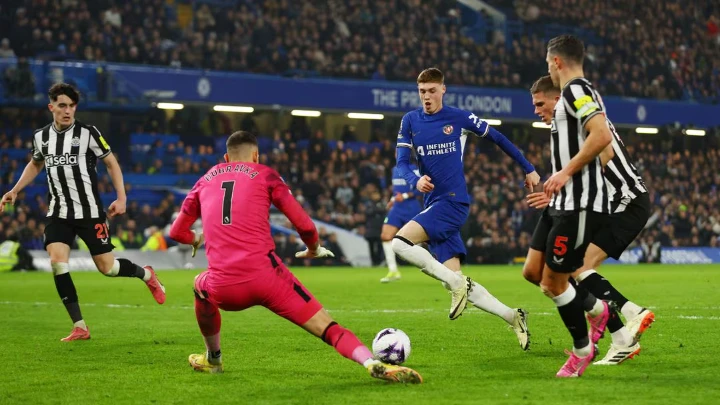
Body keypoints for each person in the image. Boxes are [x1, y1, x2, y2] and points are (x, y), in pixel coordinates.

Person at [168, 131, 422, 384]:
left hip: (223, 286)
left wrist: (196, 239)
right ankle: (370, 362)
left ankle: (213, 359)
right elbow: (306, 226)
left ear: (226, 157)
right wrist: (313, 248)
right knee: (329, 328)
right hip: (267, 278)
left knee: (199, 286)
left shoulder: (204, 180)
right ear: (256, 155)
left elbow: (177, 232)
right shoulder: (265, 174)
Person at [0, 83, 165, 342]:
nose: (67, 111)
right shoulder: (41, 137)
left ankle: (147, 274)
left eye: (72, 106)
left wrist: (122, 198)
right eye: (62, 105)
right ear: (51, 106)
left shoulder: (88, 133)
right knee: (57, 261)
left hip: (89, 212)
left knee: (107, 268)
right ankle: (80, 326)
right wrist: (15, 190)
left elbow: (111, 162)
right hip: (58, 212)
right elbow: (35, 164)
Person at [391, 67, 540, 350]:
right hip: (433, 203)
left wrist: (529, 168)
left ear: (443, 90)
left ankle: (459, 286)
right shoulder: (410, 120)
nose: (427, 96)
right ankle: (513, 316)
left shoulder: (458, 118)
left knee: (399, 243)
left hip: (453, 202)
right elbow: (401, 162)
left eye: (432, 90)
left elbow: (498, 138)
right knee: (455, 280)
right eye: (422, 91)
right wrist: (415, 179)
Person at [523, 75, 653, 366]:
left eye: (540, 103)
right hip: (614, 202)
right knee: (561, 270)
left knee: (577, 267)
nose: (536, 111)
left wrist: (567, 185)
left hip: (624, 201)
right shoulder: (571, 125)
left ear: (558, 100)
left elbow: (604, 152)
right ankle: (627, 318)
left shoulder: (581, 118)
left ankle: (626, 324)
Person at [532, 34, 629, 377]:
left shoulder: (576, 91)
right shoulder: (572, 95)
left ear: (556, 61)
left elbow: (602, 137)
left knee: (553, 284)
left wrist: (566, 174)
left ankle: (582, 350)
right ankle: (597, 311)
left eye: (548, 63)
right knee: (540, 276)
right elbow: (595, 146)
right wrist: (560, 182)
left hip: (581, 205)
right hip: (566, 202)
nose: (548, 68)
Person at [380, 160, 422, 283]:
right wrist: (393, 199)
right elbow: (397, 190)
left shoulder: (415, 169)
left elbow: (421, 189)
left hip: (411, 207)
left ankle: (440, 267)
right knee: (385, 236)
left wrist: (404, 196)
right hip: (397, 207)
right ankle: (393, 270)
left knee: (422, 240)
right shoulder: (394, 169)